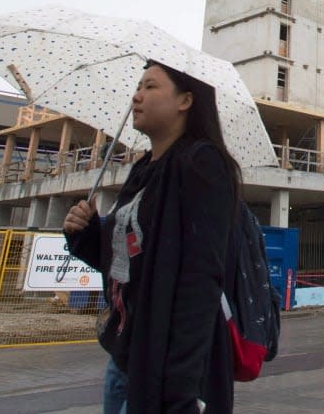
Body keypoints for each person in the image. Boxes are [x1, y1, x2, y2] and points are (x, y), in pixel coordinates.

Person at [63, 60, 241, 414]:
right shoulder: (143, 169)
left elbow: (200, 281)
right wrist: (85, 233)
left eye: (150, 86)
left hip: (166, 372)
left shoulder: (202, 164)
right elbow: (127, 263)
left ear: (185, 101)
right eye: (138, 87)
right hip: (126, 359)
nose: (137, 96)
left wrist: (180, 390)